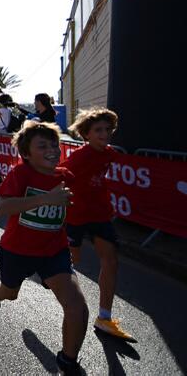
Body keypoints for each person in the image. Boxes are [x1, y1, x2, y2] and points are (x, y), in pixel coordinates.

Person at [0, 121, 88, 376]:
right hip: (17, 251)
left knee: (78, 307)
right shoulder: (20, 174)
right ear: (26, 154)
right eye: (43, 146)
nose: (52, 149)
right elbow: (2, 207)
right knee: (10, 293)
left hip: (54, 252)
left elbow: (72, 213)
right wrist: (45, 199)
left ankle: (68, 362)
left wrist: (75, 240)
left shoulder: (66, 177)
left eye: (55, 144)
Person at [61, 108, 135, 342]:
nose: (104, 134)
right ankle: (51, 278)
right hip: (75, 215)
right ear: (86, 135)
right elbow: (58, 177)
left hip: (99, 214)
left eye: (107, 129)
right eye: (98, 130)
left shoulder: (109, 153)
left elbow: (131, 164)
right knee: (72, 263)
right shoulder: (79, 158)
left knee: (111, 259)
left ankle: (104, 318)